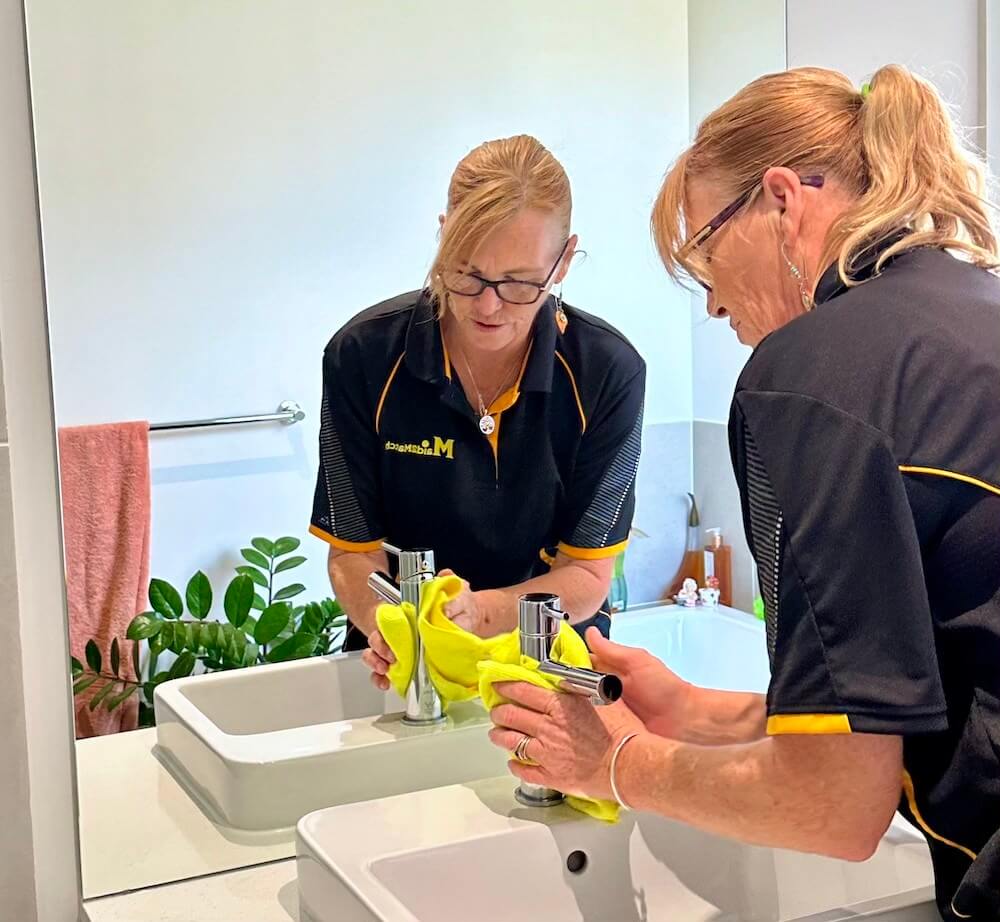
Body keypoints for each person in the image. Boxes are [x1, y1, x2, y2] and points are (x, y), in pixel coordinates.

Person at [488, 65, 1000, 922]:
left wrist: (610, 762)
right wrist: (690, 711)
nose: (716, 304)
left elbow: (833, 805)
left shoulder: (808, 379)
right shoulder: (974, 310)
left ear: (780, 200)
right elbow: (902, 695)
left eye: (705, 254)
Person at [309, 135, 645, 688]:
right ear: (444, 236)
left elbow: (586, 574)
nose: (488, 306)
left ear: (562, 262)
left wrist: (481, 614)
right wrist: (384, 625)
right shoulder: (363, 356)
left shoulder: (607, 372)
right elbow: (352, 552)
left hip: (546, 659)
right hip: (402, 659)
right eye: (465, 274)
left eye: (518, 283)